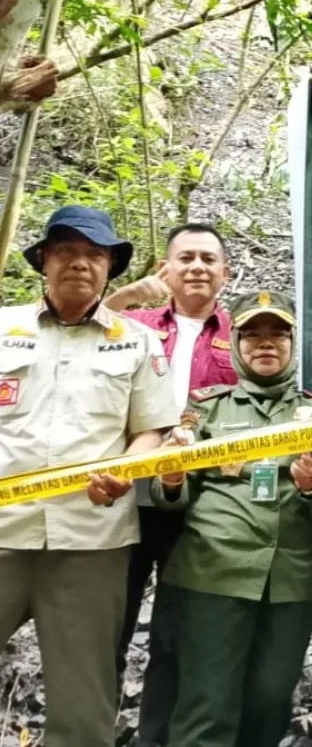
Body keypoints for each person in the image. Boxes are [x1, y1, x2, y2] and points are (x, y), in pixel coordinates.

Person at [0, 206, 179, 747]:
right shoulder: (4, 328)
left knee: (83, 705)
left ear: (109, 269)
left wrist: (123, 472)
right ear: (44, 261)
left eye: (94, 255)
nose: (79, 263)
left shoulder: (137, 341)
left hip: (91, 542)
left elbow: (152, 430)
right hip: (3, 532)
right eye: (66, 251)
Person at [147, 290, 312, 747]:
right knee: (207, 702)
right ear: (235, 344)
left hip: (288, 576)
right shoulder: (206, 407)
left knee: (271, 699)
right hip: (213, 571)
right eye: (253, 335)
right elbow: (169, 494)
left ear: (293, 344)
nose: (266, 343)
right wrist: (171, 478)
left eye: (278, 334)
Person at [105, 221, 236, 746]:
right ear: (167, 267)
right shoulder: (134, 323)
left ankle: (156, 737)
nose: (197, 267)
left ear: (225, 272)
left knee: (175, 634)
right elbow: (85, 332)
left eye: (208, 258)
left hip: (198, 502)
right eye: (186, 258)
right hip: (126, 498)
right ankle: (94, 728)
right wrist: (127, 294)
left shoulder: (244, 334)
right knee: (108, 628)